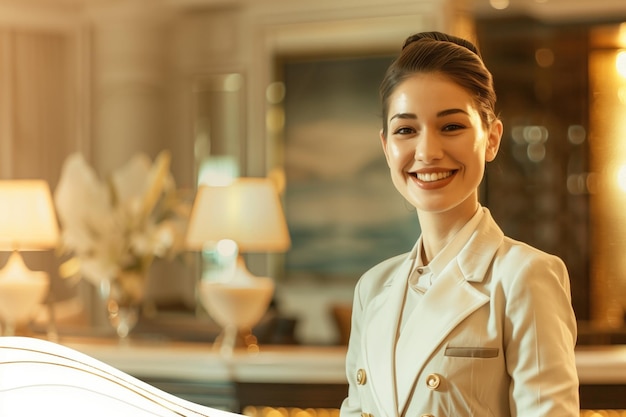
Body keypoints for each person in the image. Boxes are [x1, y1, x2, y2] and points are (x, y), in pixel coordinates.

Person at [339, 31, 579, 417]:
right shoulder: (371, 288)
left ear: (492, 139)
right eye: (406, 130)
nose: (427, 152)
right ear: (386, 147)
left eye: (451, 126)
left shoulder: (525, 276)